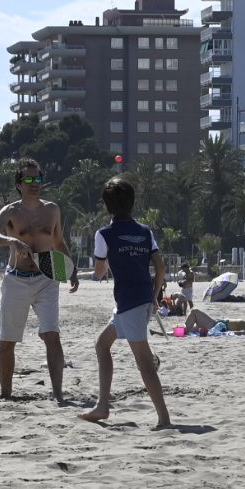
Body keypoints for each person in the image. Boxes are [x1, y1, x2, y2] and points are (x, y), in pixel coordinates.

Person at [0, 158, 80, 401]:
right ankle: (5, 394)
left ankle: (58, 394)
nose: (34, 183)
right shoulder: (10, 211)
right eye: (28, 179)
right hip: (16, 279)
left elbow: (58, 242)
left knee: (52, 335)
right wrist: (11, 241)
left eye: (38, 179)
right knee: (7, 340)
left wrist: (71, 270)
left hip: (46, 278)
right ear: (19, 184)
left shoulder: (52, 210)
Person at [79, 177, 171, 427]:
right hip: (139, 299)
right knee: (102, 345)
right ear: (132, 203)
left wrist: (100, 266)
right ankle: (102, 406)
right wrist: (154, 294)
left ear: (107, 205)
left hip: (129, 301)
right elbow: (160, 268)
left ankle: (164, 418)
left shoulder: (104, 234)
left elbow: (99, 273)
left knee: (143, 364)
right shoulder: (144, 231)